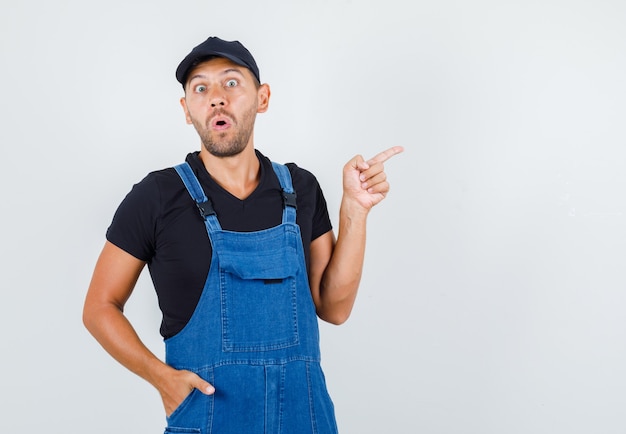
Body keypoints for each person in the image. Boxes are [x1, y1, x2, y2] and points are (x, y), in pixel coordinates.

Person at [82, 36, 403, 434]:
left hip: (306, 420)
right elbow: (99, 307)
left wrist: (355, 211)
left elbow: (334, 308)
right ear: (187, 110)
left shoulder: (300, 188)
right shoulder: (157, 196)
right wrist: (162, 379)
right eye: (200, 88)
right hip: (208, 418)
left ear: (262, 98)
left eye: (231, 83)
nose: (216, 97)